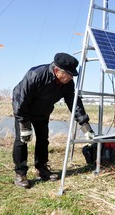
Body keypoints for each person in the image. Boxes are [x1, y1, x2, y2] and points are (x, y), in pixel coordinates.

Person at [12, 52, 95, 188]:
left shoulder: (67, 83)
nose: (70, 78)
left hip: (43, 111)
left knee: (43, 139)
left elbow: (74, 103)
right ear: (57, 70)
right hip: (24, 108)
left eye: (72, 75)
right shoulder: (35, 75)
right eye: (68, 74)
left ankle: (41, 169)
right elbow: (21, 100)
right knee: (22, 140)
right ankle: (20, 174)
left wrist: (85, 125)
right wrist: (24, 124)